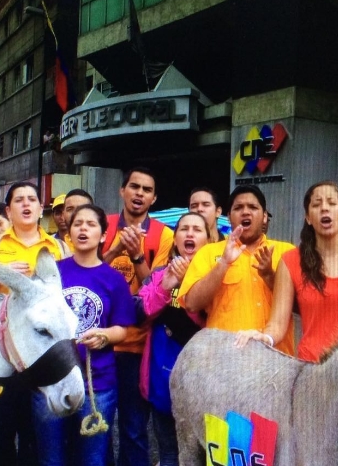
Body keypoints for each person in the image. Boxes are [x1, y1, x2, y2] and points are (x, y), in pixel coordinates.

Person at [0, 181, 68, 466]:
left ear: (40, 209)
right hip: (1, 360)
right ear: (9, 210)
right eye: (19, 200)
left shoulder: (59, 248)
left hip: (42, 358)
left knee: (36, 438)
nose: (26, 204)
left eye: (32, 200)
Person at [33, 204, 136, 466]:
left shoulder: (114, 280)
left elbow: (122, 330)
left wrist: (103, 335)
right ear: (69, 232)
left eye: (91, 224)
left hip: (97, 385)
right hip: (51, 381)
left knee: (92, 460)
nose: (83, 229)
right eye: (78, 224)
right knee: (50, 459)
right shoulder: (51, 272)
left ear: (103, 235)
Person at [234, 181, 338, 360]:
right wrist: (264, 337)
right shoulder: (290, 261)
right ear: (308, 218)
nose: (324, 209)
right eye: (317, 204)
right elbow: (277, 325)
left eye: (332, 203)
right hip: (312, 369)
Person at [100, 167, 174, 466]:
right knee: (98, 427)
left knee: (133, 429)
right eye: (134, 187)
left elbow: (156, 290)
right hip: (100, 343)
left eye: (146, 190)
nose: (139, 194)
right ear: (122, 191)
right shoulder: (102, 225)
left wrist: (136, 256)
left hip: (138, 345)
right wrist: (116, 247)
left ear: (154, 198)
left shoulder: (164, 235)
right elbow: (90, 273)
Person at [179, 184, 295, 354]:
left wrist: (270, 277)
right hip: (224, 360)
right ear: (229, 217)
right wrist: (223, 264)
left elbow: (302, 305)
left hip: (277, 360)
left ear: (264, 217)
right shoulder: (208, 252)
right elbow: (191, 304)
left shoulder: (287, 252)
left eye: (253, 207)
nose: (245, 212)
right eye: (238, 208)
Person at [138, 212, 210, 466]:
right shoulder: (159, 273)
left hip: (204, 381)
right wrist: (165, 286)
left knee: (202, 454)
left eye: (197, 229)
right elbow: (140, 313)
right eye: (184, 229)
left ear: (209, 238)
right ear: (175, 237)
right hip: (162, 378)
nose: (189, 234)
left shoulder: (218, 274)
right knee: (168, 451)